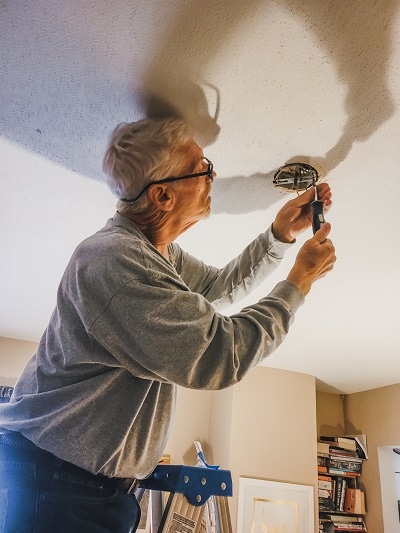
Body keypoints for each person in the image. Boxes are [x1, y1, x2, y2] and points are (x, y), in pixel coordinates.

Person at [0, 118, 336, 532]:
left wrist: (279, 236)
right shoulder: (115, 262)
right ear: (162, 195)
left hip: (84, 487)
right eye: (201, 166)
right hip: (59, 489)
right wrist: (297, 284)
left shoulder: (156, 254)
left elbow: (218, 288)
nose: (212, 174)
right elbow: (218, 355)